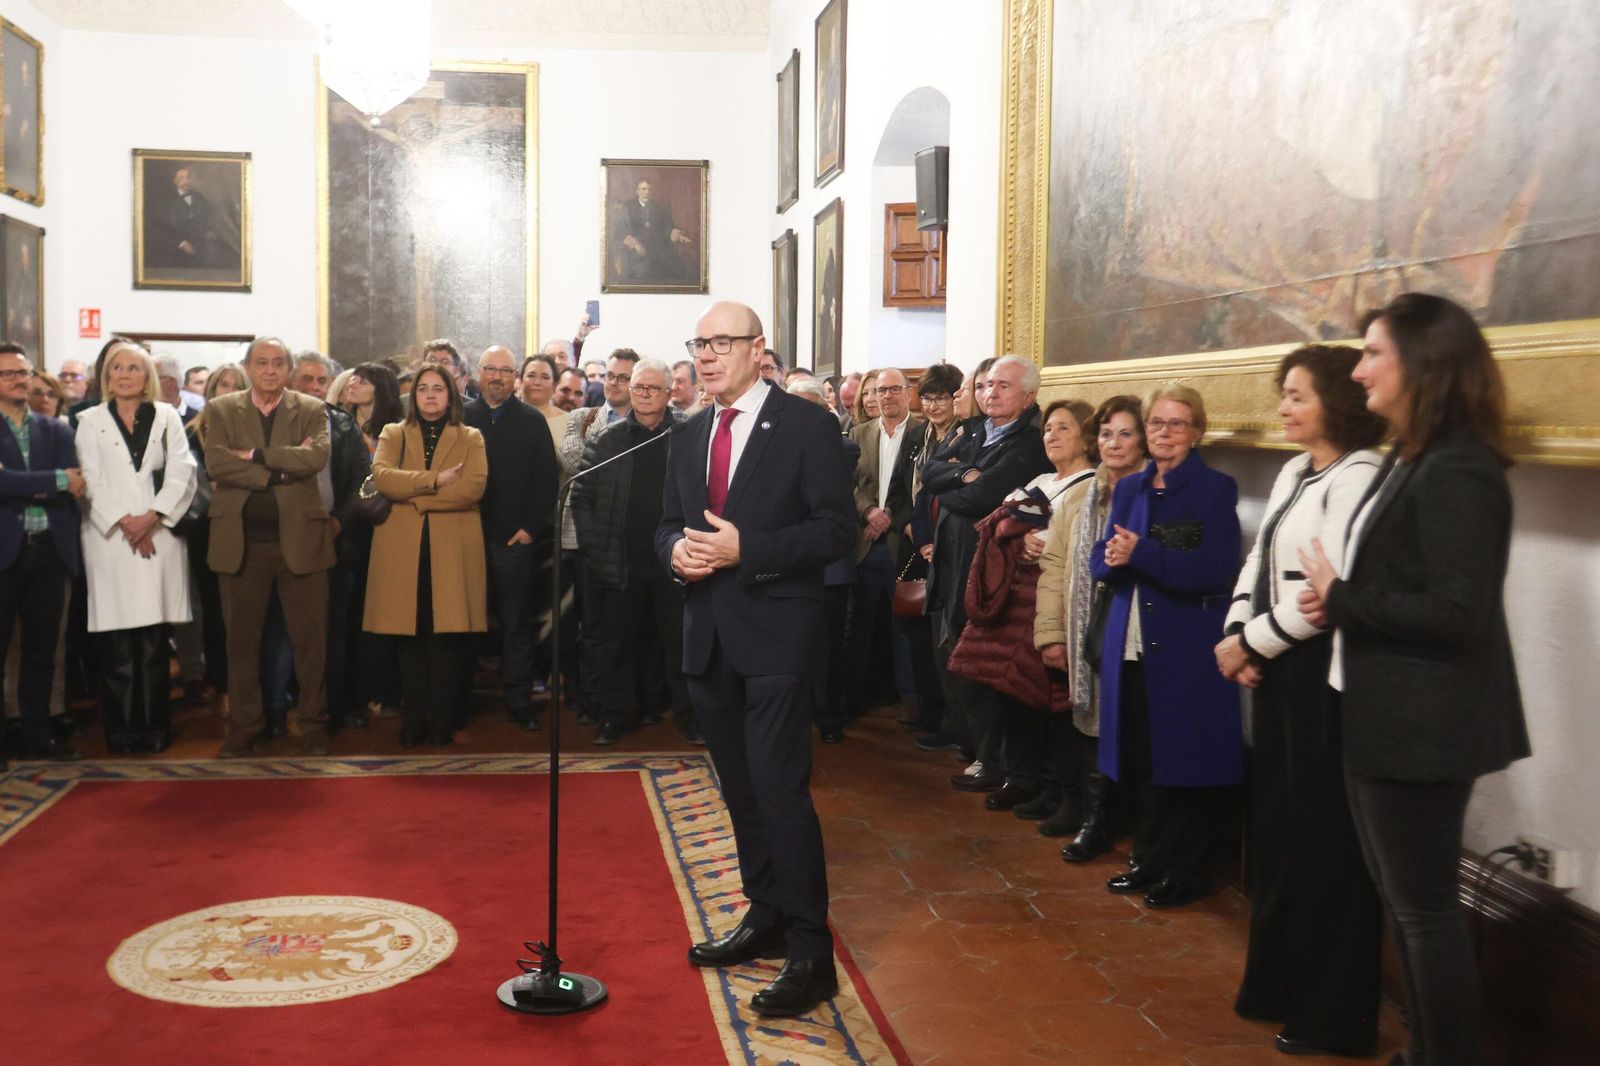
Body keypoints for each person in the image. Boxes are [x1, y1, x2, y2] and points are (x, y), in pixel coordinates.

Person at [1296, 293, 1529, 1066]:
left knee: (1425, 913)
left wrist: (1341, 597)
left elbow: (1457, 612)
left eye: (1373, 353)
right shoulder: (1417, 455)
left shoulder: (1460, 468)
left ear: (1422, 363)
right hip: (1389, 713)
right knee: (1407, 908)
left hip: (1426, 725)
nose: (1357, 370)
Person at [658, 300, 854, 1018]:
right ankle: (766, 914)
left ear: (758, 349)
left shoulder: (807, 425)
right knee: (740, 792)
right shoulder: (687, 435)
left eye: (722, 342)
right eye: (699, 344)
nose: (707, 355)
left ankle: (811, 953)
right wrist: (675, 555)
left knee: (778, 790)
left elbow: (837, 530)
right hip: (707, 637)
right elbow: (664, 527)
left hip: (776, 637)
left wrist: (753, 550)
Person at [1210, 345, 1387, 1057]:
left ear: (1338, 402)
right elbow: (1260, 563)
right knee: (1279, 833)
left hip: (1320, 677)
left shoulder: (1360, 474)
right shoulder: (1293, 469)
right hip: (1276, 665)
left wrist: (1251, 643)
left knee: (1325, 844)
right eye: (1283, 395)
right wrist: (1236, 633)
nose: (1283, 408)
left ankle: (1333, 1013)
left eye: (1296, 395)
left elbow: (1326, 594)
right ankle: (1277, 983)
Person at [1092, 384, 1242, 909]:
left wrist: (1142, 555)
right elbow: (1102, 557)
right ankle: (1148, 858)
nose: (1163, 433)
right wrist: (1111, 556)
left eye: (1176, 424)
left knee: (1182, 759)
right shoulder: (1131, 488)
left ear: (1197, 432)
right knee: (1140, 755)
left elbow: (1216, 571)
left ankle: (1187, 869)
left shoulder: (1214, 488)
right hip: (1130, 640)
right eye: (1156, 423)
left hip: (1183, 644)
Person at [949, 400, 1097, 819]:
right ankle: (1022, 774)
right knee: (1008, 694)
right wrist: (1016, 537)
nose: (1051, 436)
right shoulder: (1043, 479)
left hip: (1049, 604)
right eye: (1048, 428)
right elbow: (998, 521)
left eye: (1063, 429)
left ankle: (1051, 786)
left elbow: (1071, 540)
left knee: (1043, 699)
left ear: (1086, 436)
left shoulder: (1090, 484)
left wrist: (1028, 535)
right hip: (1014, 604)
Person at [922, 355, 1051, 790]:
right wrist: (964, 476)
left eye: (1002, 386)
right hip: (951, 561)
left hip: (987, 572)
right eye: (984, 385)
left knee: (983, 664)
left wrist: (955, 484)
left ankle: (993, 762)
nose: (989, 394)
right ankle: (976, 751)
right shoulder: (972, 429)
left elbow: (984, 499)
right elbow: (929, 471)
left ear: (1029, 396)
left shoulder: (1029, 443)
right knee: (953, 658)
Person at [205, 337, 336, 759]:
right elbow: (217, 464)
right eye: (261, 362)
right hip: (241, 545)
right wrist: (276, 473)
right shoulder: (223, 409)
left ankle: (314, 725)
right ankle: (245, 726)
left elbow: (314, 460)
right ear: (247, 367)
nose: (270, 370)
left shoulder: (312, 409)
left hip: (301, 542)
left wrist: (255, 455)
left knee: (310, 643)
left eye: (278, 362)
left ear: (289, 369)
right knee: (241, 644)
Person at [1034, 395, 1146, 847]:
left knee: (1129, 729)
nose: (1113, 444)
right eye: (1105, 434)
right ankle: (1091, 816)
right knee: (1084, 722)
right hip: (1083, 627)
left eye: (1125, 434)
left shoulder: (1149, 492)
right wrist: (1051, 633)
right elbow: (1055, 564)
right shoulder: (1082, 495)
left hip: (1131, 632)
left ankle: (1119, 822)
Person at [76, 340, 198, 753]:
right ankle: (122, 731)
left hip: (158, 536)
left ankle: (156, 727)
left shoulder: (166, 416)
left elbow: (183, 471)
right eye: (117, 368)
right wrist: (126, 524)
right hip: (110, 539)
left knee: (152, 642)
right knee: (116, 645)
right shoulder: (89, 420)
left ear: (147, 376)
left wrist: (151, 517)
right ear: (106, 376)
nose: (125, 375)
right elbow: (89, 479)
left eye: (134, 368)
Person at [570, 357, 694, 744]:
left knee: (680, 646)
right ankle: (616, 716)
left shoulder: (689, 436)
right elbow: (581, 497)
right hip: (621, 561)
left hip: (675, 560)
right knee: (617, 645)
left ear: (669, 392)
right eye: (638, 387)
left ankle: (690, 719)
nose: (643, 394)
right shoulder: (608, 439)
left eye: (652, 388)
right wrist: (595, 548)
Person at [364, 364, 488, 746]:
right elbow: (382, 477)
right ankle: (413, 719)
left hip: (451, 548)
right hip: (403, 550)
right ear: (413, 396)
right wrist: (435, 480)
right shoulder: (393, 432)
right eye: (423, 389)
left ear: (450, 394)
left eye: (438, 388)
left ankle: (443, 723)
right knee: (409, 640)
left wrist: (416, 500)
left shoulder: (471, 436)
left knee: (446, 642)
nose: (431, 395)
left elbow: (472, 488)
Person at [0, 344, 86, 766]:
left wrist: (21, 481)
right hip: (4, 554)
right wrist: (53, 480)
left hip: (50, 553)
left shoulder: (56, 431)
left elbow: (77, 483)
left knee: (41, 652)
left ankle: (38, 737)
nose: (19, 379)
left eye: (23, 372)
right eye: (8, 374)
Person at [465, 345, 558, 731]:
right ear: (479, 373)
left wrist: (530, 530)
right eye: (491, 369)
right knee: (464, 622)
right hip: (464, 539)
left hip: (513, 544)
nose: (498, 377)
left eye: (506, 370)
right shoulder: (460, 417)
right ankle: (460, 700)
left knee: (517, 626)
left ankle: (518, 702)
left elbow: (547, 481)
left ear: (515, 377)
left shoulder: (531, 420)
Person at [841, 367, 922, 735]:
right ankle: (853, 696)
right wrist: (868, 512)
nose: (885, 396)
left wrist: (889, 516)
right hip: (864, 544)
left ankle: (910, 697)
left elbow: (917, 488)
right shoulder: (859, 433)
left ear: (908, 393)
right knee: (857, 624)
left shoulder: (922, 433)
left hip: (899, 544)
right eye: (878, 390)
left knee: (903, 625)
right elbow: (848, 484)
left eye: (893, 389)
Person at [902, 363, 964, 748]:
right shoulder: (921, 435)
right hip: (921, 541)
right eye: (926, 397)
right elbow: (915, 493)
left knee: (948, 639)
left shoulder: (963, 437)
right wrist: (920, 535)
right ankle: (931, 709)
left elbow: (942, 491)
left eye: (941, 397)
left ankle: (953, 724)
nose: (933, 405)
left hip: (950, 545)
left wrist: (931, 539)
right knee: (922, 636)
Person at [611, 179, 694, 284]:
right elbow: (620, 229)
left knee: (674, 270)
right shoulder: (628, 206)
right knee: (641, 272)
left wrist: (677, 235)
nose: (647, 192)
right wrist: (634, 243)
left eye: (649, 190)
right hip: (636, 250)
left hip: (657, 247)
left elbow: (667, 226)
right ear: (637, 191)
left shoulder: (657, 207)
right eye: (643, 189)